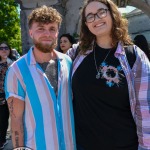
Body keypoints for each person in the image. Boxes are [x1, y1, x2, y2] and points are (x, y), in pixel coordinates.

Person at [67, 0, 150, 149]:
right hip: (82, 145)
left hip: (123, 145)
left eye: (101, 12)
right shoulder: (76, 53)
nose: (96, 19)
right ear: (86, 23)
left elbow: (145, 108)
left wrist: (145, 147)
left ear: (113, 14)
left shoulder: (134, 56)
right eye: (90, 16)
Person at [5, 5, 76, 150]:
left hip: (70, 145)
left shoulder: (67, 62)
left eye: (52, 29)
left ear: (57, 32)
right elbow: (16, 119)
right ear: (31, 32)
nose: (47, 34)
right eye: (40, 28)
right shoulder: (17, 70)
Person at [0, 41, 14, 149]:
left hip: (12, 95)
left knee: (14, 118)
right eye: (1, 48)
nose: (4, 50)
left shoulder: (14, 63)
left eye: (6, 48)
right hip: (0, 96)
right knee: (2, 119)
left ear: (9, 50)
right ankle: (2, 140)